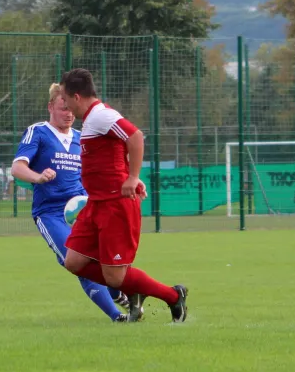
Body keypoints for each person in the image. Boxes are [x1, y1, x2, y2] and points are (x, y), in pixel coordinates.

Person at [59, 68, 188, 323]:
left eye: (64, 98)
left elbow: (135, 136)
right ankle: (134, 290)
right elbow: (117, 150)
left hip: (115, 206)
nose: (63, 104)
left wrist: (132, 178)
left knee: (114, 278)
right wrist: (130, 174)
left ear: (76, 96)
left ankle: (174, 297)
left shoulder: (101, 116)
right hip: (96, 204)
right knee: (73, 262)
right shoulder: (93, 120)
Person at [11, 83, 131, 323]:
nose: (67, 113)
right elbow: (17, 167)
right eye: (61, 108)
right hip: (51, 213)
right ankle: (118, 316)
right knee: (77, 263)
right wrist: (38, 177)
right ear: (50, 107)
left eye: (70, 109)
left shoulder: (81, 137)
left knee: (103, 259)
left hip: (84, 210)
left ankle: (119, 292)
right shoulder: (38, 132)